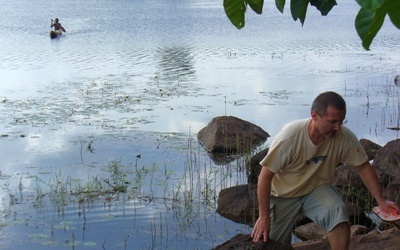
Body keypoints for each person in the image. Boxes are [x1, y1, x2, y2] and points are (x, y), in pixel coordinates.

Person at [251, 91, 400, 249]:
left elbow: (364, 167)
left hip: (316, 189)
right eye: (332, 122)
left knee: (338, 214)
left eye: (341, 122)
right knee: (273, 242)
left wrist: (381, 200)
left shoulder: (344, 137)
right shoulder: (290, 137)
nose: (337, 128)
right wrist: (264, 216)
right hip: (282, 195)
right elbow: (264, 177)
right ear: (314, 115)